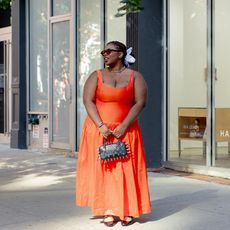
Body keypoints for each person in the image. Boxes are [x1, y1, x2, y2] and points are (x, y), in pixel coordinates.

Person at [76, 41, 151, 227]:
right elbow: (88, 100)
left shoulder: (136, 76)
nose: (104, 54)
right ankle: (108, 209)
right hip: (99, 130)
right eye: (103, 51)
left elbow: (140, 103)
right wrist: (101, 125)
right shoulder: (97, 75)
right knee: (106, 170)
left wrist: (124, 125)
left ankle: (128, 209)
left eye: (108, 51)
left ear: (120, 54)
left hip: (126, 130)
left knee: (127, 170)